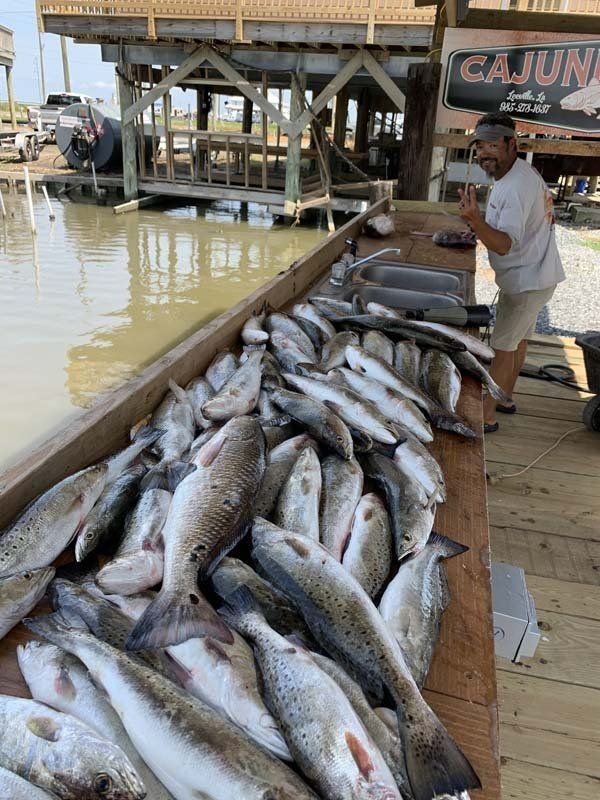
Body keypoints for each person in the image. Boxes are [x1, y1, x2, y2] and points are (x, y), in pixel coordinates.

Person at [457, 112, 565, 434]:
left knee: (503, 348)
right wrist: (479, 224)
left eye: (492, 145)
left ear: (511, 143)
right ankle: (505, 398)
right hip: (539, 276)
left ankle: (487, 417)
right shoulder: (518, 174)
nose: (484, 153)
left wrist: (476, 221)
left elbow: (504, 244)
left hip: (525, 281)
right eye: (479, 146)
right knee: (518, 342)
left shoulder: (514, 187)